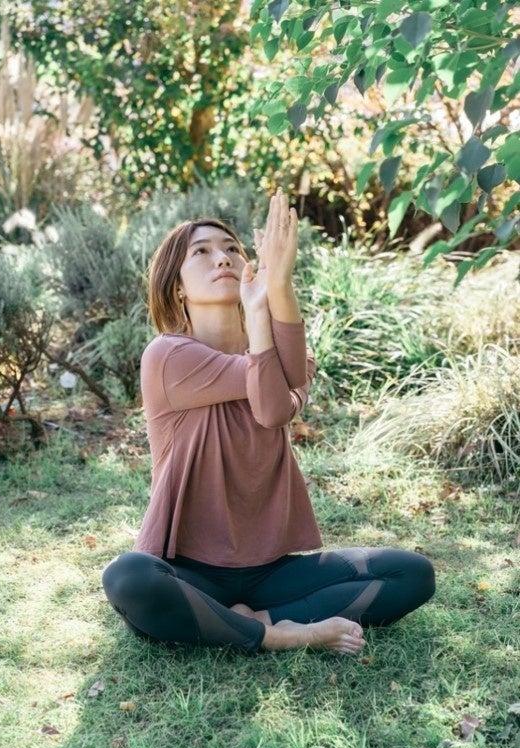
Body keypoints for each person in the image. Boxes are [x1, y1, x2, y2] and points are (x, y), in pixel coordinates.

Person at [102, 189, 435, 654]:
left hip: (270, 572)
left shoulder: (277, 356)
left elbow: (275, 399)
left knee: (411, 573)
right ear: (177, 286)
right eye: (201, 252)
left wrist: (277, 287)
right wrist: (267, 321)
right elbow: (278, 391)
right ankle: (279, 634)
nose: (222, 257)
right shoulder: (168, 355)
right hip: (189, 570)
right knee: (128, 576)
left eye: (231, 248)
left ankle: (249, 621)